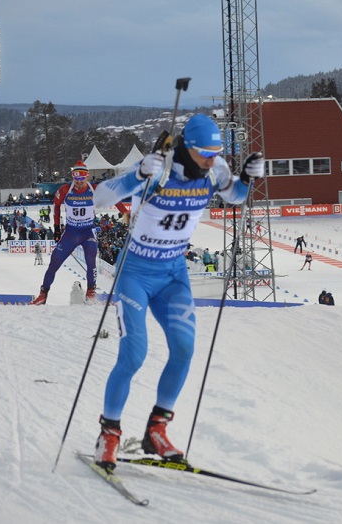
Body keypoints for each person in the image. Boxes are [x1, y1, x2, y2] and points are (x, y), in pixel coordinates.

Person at [90, 114, 265, 472]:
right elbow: (99, 198)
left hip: (173, 274)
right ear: (187, 147)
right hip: (136, 274)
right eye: (205, 153)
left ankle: (157, 430)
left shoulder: (215, 169)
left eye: (216, 152)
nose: (212, 159)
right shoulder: (159, 169)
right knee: (134, 355)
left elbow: (236, 196)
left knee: (184, 349)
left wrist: (247, 176)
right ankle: (108, 434)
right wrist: (137, 174)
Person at [29, 160, 127, 305]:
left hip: (88, 232)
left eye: (82, 179)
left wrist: (127, 215)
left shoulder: (95, 189)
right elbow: (56, 206)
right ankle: (43, 294)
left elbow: (115, 199)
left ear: (87, 177)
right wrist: (56, 228)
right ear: (73, 177)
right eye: (76, 179)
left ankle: (91, 292)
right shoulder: (64, 190)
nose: (79, 182)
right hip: (71, 232)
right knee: (54, 262)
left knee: (91, 260)